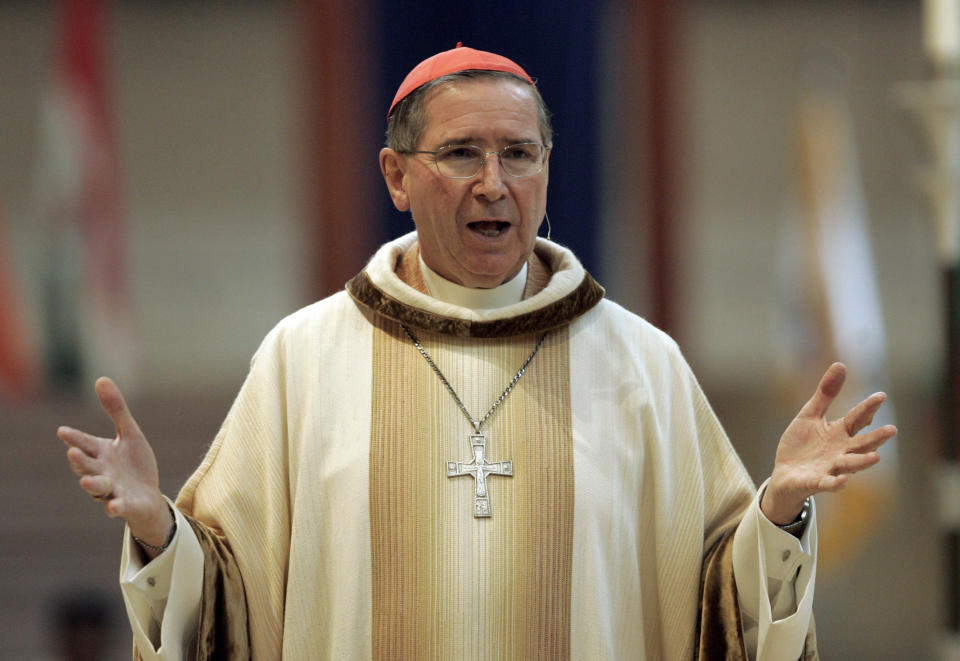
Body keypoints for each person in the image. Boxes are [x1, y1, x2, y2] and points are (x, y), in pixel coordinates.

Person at [58, 45, 896, 661]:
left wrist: (779, 510)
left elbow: (721, 608)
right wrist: (158, 531)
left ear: (545, 168)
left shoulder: (642, 365)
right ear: (395, 175)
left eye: (519, 154)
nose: (494, 183)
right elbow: (228, 604)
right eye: (462, 154)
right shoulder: (303, 360)